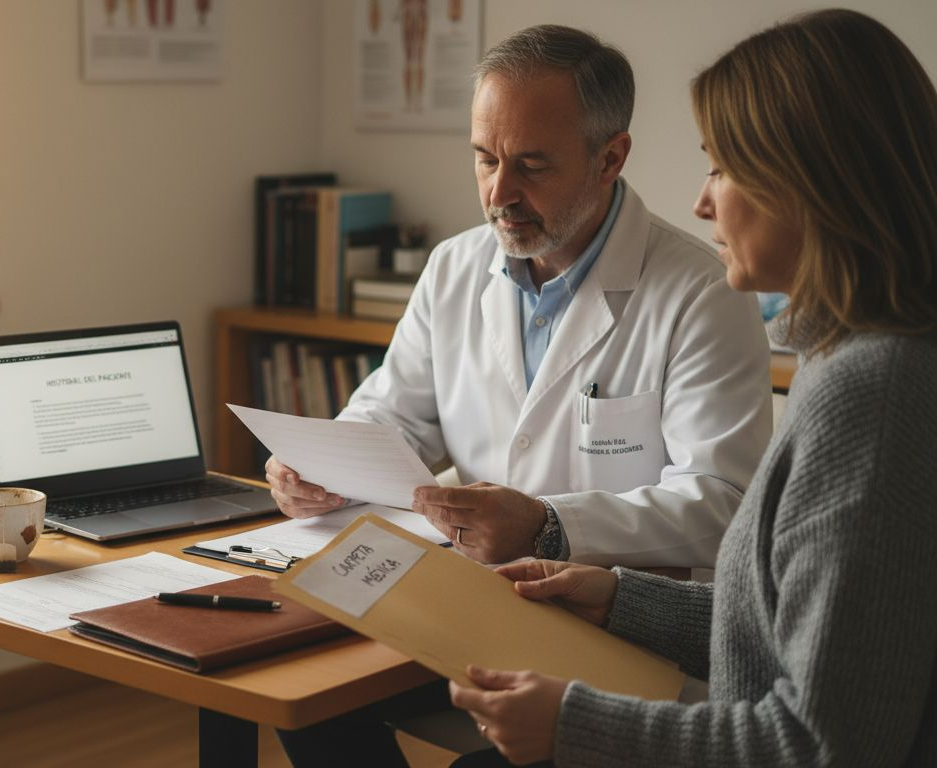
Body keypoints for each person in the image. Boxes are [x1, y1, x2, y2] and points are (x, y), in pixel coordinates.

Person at [273, 24, 772, 767]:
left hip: (614, 631)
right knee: (295, 691)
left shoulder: (701, 294)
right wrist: (326, 466)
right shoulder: (454, 268)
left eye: (531, 165)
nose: (498, 193)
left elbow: (722, 504)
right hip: (462, 604)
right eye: (484, 158)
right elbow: (394, 413)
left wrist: (547, 526)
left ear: (611, 158)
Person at [450, 9, 937, 766]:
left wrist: (573, 726)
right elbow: (785, 625)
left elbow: (824, 746)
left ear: (814, 185)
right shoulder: (839, 359)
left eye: (721, 168)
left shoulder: (873, 398)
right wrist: (617, 597)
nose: (702, 202)